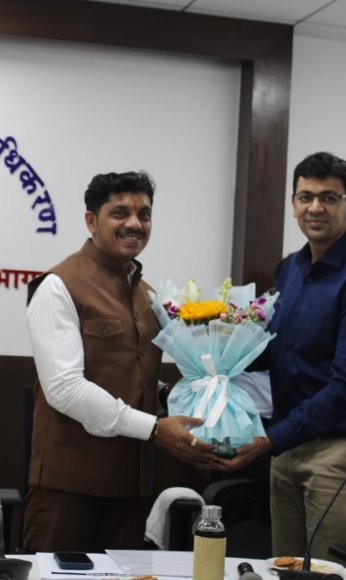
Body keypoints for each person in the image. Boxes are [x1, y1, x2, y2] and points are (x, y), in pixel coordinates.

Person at [214, 152, 346, 559]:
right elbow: (277, 350)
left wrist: (271, 438)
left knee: (330, 570)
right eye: (306, 197)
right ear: (293, 203)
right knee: (285, 565)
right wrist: (214, 362)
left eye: (329, 198)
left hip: (345, 447)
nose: (315, 207)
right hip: (291, 444)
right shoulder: (294, 268)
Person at [24, 170, 216, 552]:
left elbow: (128, 374)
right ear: (91, 221)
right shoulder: (58, 285)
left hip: (131, 487)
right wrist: (156, 429)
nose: (134, 224)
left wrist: (178, 401)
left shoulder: (148, 295)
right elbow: (65, 388)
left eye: (144, 214)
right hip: (68, 487)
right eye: (120, 213)